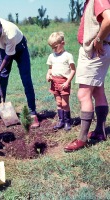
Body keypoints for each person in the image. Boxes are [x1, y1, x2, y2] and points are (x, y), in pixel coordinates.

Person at [64, 0, 110, 152]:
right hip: (100, 50)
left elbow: (109, 18)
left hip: (95, 51)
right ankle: (100, 132)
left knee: (83, 94)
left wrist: (98, 39)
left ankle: (82, 139)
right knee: (97, 90)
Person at [0, 17, 39, 128]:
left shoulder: (11, 33)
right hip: (3, 49)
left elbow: (9, 55)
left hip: (19, 48)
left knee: (26, 79)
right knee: (1, 80)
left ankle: (32, 113)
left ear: (1, 27)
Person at [46, 31, 76, 131]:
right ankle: (61, 120)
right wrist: (48, 75)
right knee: (58, 103)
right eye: (52, 47)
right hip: (54, 82)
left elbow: (73, 70)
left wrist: (67, 82)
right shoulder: (51, 56)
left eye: (55, 47)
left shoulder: (68, 56)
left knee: (65, 104)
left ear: (62, 43)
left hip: (64, 82)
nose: (54, 49)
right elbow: (50, 69)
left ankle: (68, 121)